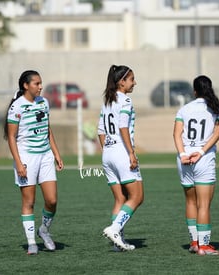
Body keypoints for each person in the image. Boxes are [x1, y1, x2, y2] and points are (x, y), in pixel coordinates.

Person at [4, 70, 64, 255]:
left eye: (40, 83)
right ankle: (31, 243)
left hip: (45, 155)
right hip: (27, 158)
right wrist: (19, 163)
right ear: (25, 85)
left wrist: (56, 153)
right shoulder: (17, 107)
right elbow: (12, 137)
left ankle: (44, 230)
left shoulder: (44, 102)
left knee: (52, 200)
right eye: (36, 83)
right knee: (29, 201)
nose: (40, 86)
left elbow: (47, 129)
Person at [173, 75, 219, 256]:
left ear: (194, 91)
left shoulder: (184, 109)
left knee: (190, 201)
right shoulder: (217, 109)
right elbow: (217, 134)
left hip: (184, 159)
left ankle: (195, 242)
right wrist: (201, 152)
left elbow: (176, 134)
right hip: (203, 159)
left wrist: (182, 154)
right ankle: (204, 246)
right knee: (203, 205)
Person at [99, 65, 144, 251]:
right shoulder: (125, 100)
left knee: (120, 199)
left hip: (108, 153)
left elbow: (100, 131)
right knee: (137, 197)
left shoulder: (108, 101)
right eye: (131, 79)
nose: (134, 82)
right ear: (121, 81)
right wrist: (131, 153)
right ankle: (115, 229)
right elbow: (123, 127)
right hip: (121, 153)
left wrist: (108, 151)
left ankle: (118, 243)